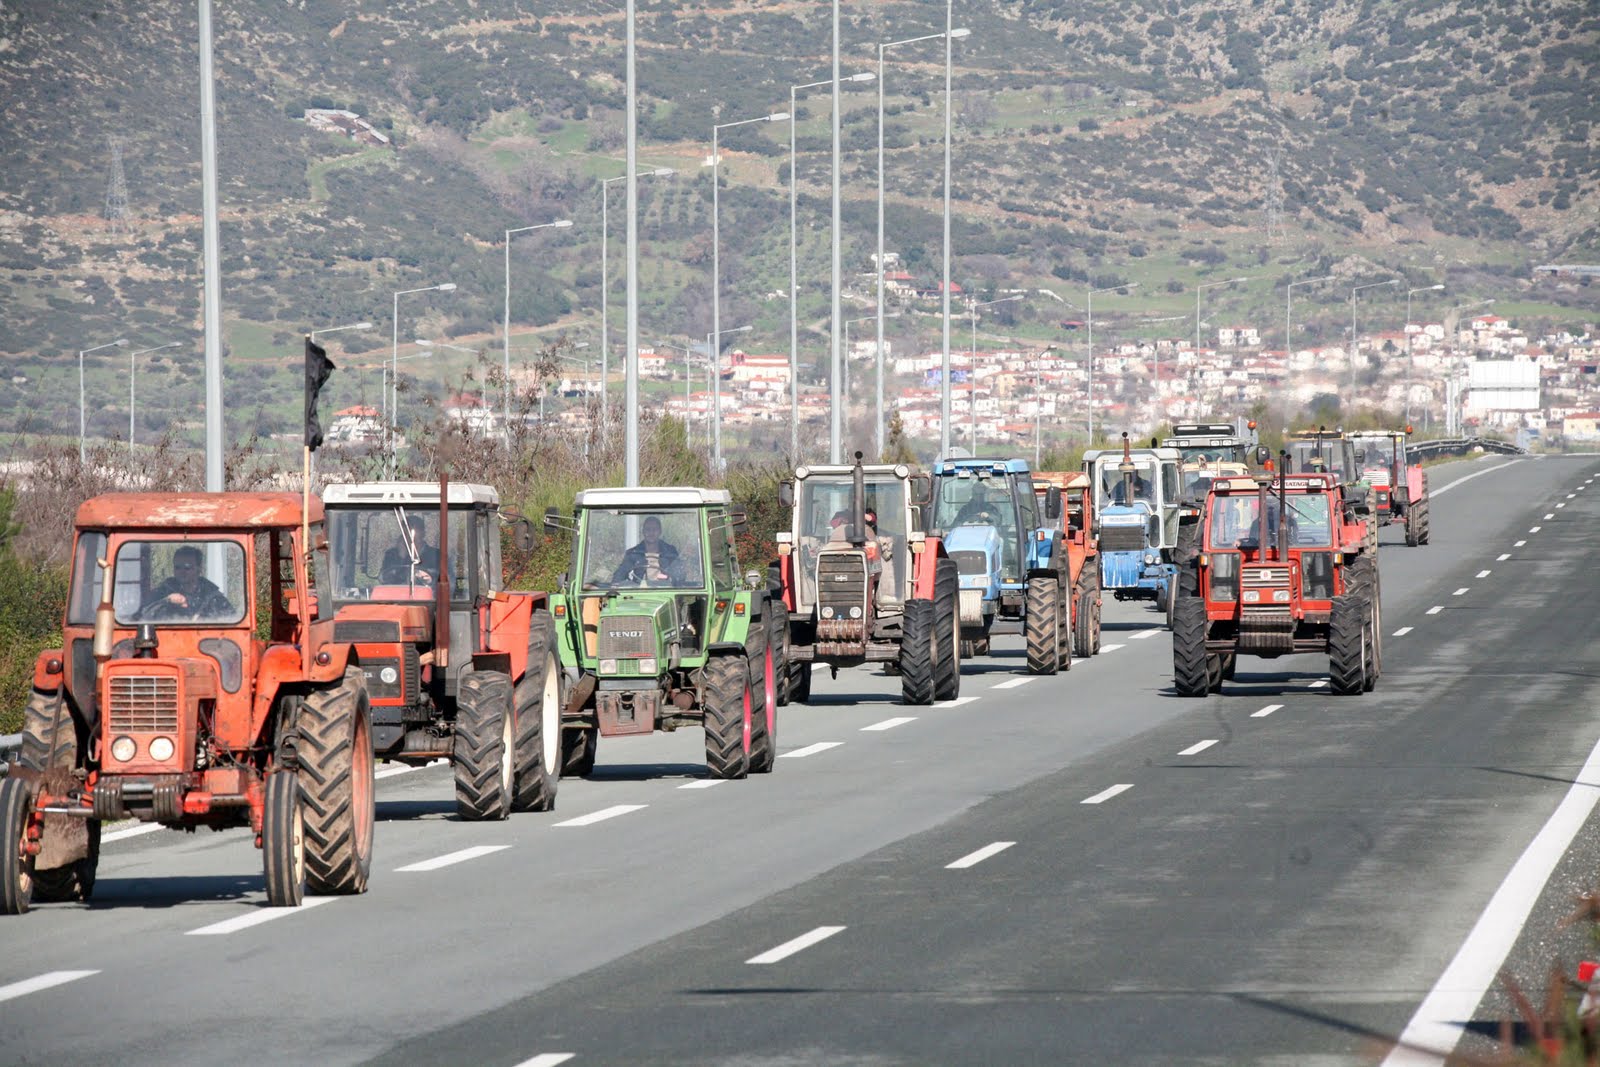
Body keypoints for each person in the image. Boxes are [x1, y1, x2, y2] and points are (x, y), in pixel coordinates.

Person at [141, 545, 234, 620]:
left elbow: (231, 620)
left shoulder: (213, 597)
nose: (182, 572)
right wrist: (166, 601)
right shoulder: (162, 593)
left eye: (187, 567)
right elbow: (143, 617)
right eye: (177, 567)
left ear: (199, 569)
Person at [612, 515, 680, 584]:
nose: (651, 533)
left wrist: (669, 577)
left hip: (666, 590)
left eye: (655, 529)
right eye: (648, 529)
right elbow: (620, 574)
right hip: (640, 591)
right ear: (643, 531)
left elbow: (679, 575)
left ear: (660, 531)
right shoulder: (634, 553)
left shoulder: (670, 552)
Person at [381, 515, 441, 584]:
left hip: (427, 593)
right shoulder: (391, 555)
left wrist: (429, 578)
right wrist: (401, 557)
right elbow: (384, 578)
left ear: (423, 533)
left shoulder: (436, 555)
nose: (410, 537)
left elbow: (448, 581)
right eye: (406, 533)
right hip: (397, 593)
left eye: (413, 532)